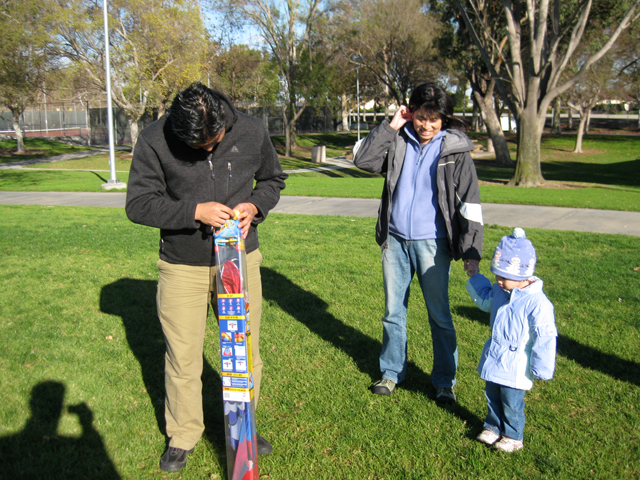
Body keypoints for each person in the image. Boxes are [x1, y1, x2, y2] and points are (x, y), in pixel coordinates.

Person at [126, 82, 287, 473]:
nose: (208, 151)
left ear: (226, 120)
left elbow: (272, 180)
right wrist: (193, 211)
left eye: (213, 142)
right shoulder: (153, 140)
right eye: (197, 148)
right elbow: (138, 204)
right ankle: (183, 436)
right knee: (182, 358)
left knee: (244, 353)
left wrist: (255, 206)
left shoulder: (251, 130)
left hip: (240, 262)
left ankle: (243, 430)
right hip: (182, 266)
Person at [353, 82, 483, 402]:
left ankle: (444, 381)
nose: (426, 125)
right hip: (395, 241)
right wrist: (390, 125)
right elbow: (364, 161)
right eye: (421, 117)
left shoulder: (455, 151)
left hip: (433, 245)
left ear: (445, 119)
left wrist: (471, 250)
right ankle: (391, 372)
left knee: (439, 315)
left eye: (434, 118)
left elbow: (470, 202)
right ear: (411, 114)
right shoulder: (398, 140)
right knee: (393, 312)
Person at [466, 228, 557, 452]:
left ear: (522, 276)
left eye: (503, 277)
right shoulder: (501, 291)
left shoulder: (538, 303)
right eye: (496, 275)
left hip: (517, 364)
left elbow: (544, 337)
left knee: (511, 401)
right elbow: (486, 300)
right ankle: (493, 427)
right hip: (496, 356)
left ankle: (513, 435)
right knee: (492, 395)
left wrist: (542, 368)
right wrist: (475, 276)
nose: (498, 281)